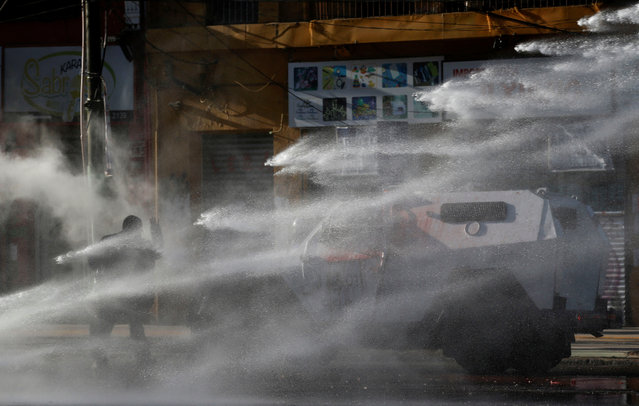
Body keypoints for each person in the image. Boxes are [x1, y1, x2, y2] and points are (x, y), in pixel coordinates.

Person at [87, 215, 162, 370]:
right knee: (134, 326)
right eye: (139, 229)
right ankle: (143, 359)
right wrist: (155, 230)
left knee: (106, 326)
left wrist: (100, 269)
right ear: (136, 229)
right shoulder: (141, 244)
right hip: (130, 295)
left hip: (111, 293)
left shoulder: (109, 240)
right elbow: (158, 251)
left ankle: (100, 360)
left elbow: (92, 261)